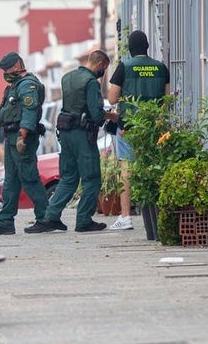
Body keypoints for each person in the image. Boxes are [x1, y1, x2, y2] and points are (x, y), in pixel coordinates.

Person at [26, 50, 111, 233]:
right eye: (104, 68)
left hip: (65, 133)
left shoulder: (67, 77)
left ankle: (50, 217)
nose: (103, 72)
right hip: (82, 135)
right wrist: (110, 116)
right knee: (91, 178)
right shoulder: (90, 82)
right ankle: (83, 220)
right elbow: (96, 114)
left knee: (69, 178)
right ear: (100, 64)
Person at [106, 29, 171, 231]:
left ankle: (126, 217)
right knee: (155, 167)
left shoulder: (124, 66)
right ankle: (160, 213)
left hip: (129, 127)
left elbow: (112, 99)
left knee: (127, 168)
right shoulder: (161, 67)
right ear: (147, 47)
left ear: (131, 48)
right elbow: (166, 99)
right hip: (154, 127)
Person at [0, 52, 50, 235]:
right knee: (10, 181)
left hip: (22, 138)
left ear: (17, 65)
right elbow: (10, 111)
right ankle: (5, 222)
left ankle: (46, 218)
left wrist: (23, 135)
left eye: (7, 69)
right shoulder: (14, 86)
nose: (5, 72)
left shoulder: (28, 84)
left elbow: (29, 110)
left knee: (29, 178)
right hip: (11, 137)